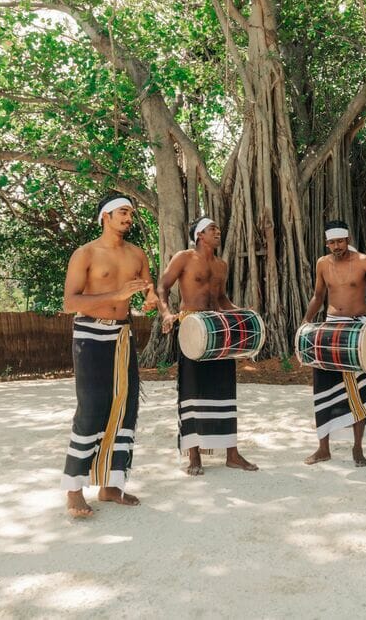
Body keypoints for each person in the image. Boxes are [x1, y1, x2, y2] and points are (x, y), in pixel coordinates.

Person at [59, 194, 157, 518]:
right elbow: (70, 303)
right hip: (90, 334)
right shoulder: (85, 254)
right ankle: (74, 490)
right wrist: (116, 294)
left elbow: (149, 290)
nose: (129, 217)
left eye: (131, 213)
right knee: (91, 407)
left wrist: (153, 300)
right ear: (106, 216)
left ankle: (112, 485)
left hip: (122, 336)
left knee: (125, 408)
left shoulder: (137, 254)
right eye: (123, 212)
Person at [155, 216, 259, 476]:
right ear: (200, 234)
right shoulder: (184, 258)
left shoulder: (222, 265)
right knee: (193, 388)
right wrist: (166, 314)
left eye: (218, 229)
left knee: (225, 388)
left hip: (218, 328)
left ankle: (232, 454)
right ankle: (194, 455)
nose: (218, 232)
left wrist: (242, 313)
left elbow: (222, 298)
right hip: (191, 326)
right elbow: (163, 287)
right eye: (213, 229)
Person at [300, 220, 366, 467]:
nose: (336, 246)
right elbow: (318, 296)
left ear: (347, 239)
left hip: (356, 328)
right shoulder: (322, 263)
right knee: (323, 387)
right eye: (331, 242)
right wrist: (306, 322)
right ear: (326, 242)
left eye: (340, 241)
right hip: (329, 327)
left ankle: (358, 448)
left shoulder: (363, 261)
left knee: (357, 389)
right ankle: (323, 448)